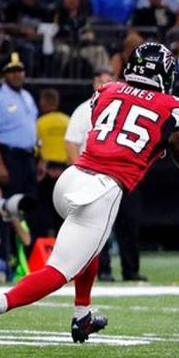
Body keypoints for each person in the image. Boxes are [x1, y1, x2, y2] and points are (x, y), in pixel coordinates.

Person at [0, 42, 179, 355]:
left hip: (72, 179)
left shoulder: (107, 91)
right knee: (59, 270)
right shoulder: (174, 108)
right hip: (102, 188)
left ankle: (82, 316)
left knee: (92, 244)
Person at [65, 67, 144, 282]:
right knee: (99, 227)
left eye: (109, 80)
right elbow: (71, 142)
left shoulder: (127, 107)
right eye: (101, 81)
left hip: (123, 175)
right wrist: (79, 172)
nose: (105, 84)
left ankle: (131, 270)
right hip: (95, 175)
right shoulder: (84, 109)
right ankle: (104, 270)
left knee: (129, 223)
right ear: (94, 83)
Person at [0, 53, 43, 198]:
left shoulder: (27, 96)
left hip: (29, 156)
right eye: (12, 71)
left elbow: (34, 127)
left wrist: (41, 158)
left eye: (19, 71)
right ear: (4, 75)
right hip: (10, 157)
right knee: (11, 202)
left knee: (30, 200)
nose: (16, 75)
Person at [36, 89, 70, 237]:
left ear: (44, 103)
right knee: (62, 212)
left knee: (45, 210)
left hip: (46, 173)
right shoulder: (68, 120)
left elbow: (37, 147)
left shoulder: (40, 123)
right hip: (65, 172)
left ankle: (47, 245)